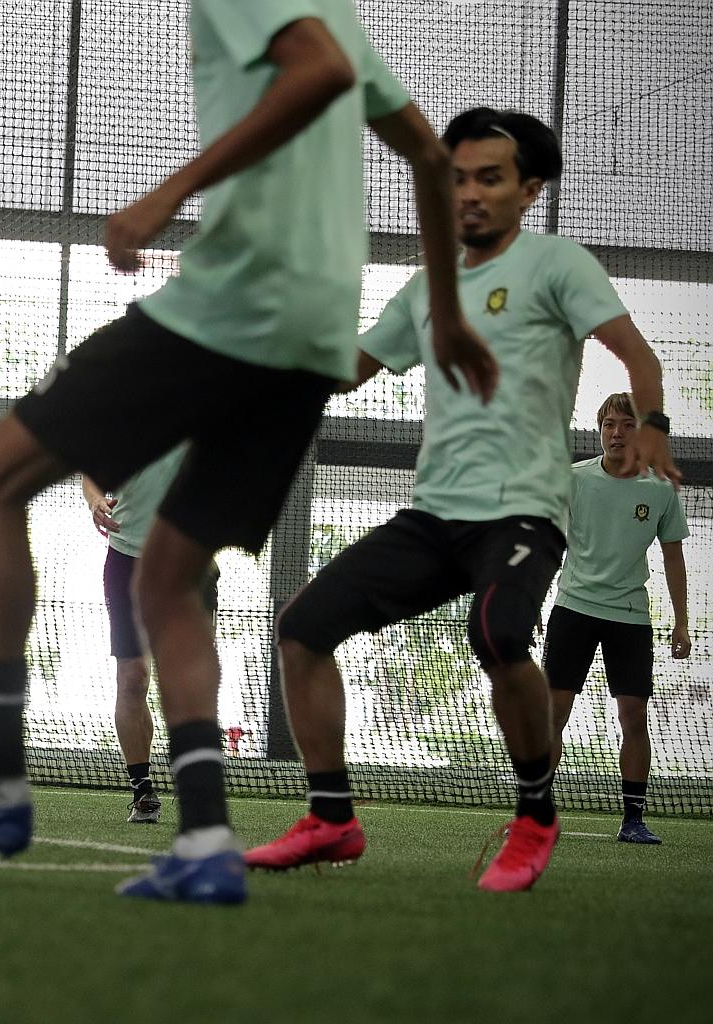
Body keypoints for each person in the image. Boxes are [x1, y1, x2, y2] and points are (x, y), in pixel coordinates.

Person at [0, 0, 494, 905]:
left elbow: (314, 73)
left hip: (236, 306)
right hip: (310, 343)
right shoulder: (338, 14)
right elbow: (429, 158)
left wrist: (169, 191)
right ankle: (202, 838)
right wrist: (450, 309)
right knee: (168, 576)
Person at [251, 108, 680, 892]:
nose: (470, 194)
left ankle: (535, 811)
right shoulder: (425, 290)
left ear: (528, 189)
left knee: (498, 630)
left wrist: (651, 424)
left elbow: (637, 356)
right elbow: (350, 367)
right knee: (303, 627)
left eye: (490, 177)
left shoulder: (558, 266)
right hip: (433, 515)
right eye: (456, 180)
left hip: (523, 509)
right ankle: (331, 817)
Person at [544, 392, 690, 845]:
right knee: (554, 713)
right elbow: (548, 540)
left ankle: (634, 819)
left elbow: (673, 556)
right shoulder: (574, 480)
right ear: (599, 429)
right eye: (609, 424)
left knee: (633, 715)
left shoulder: (660, 489)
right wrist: (528, 597)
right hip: (573, 608)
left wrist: (682, 621)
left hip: (629, 616)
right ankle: (536, 814)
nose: (616, 433)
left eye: (627, 425)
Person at [81, 446, 220, 824]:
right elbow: (92, 472)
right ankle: (142, 791)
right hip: (125, 562)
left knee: (186, 680)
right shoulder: (133, 417)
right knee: (131, 676)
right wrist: (95, 500)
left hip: (190, 561)